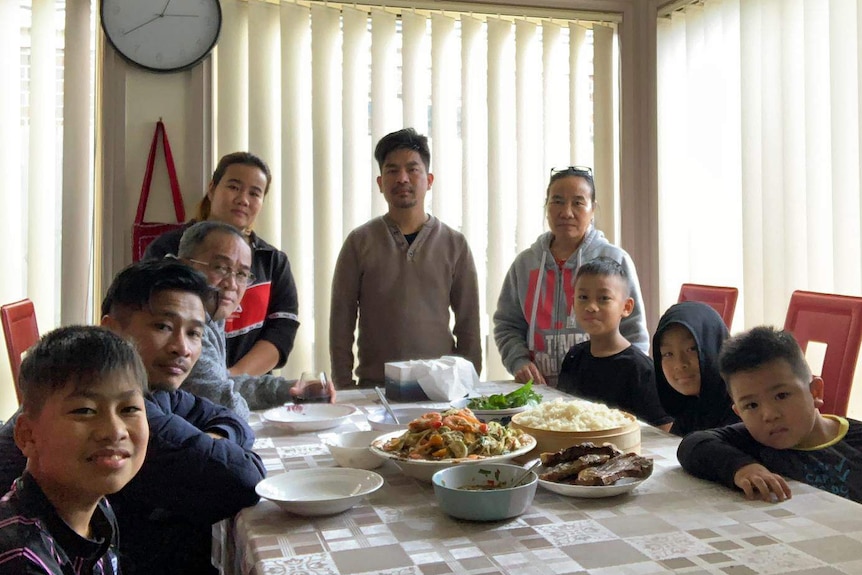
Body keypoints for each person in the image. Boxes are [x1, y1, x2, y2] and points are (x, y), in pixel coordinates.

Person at [0, 260, 266, 574]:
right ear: (113, 331)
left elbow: (223, 416)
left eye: (195, 333)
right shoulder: (23, 557)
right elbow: (243, 479)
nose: (182, 347)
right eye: (163, 326)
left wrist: (213, 441)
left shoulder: (99, 508)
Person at [329, 128, 482, 388]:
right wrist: (344, 386)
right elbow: (341, 321)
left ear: (429, 179)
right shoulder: (359, 242)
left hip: (442, 389)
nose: (402, 178)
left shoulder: (454, 244)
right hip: (375, 388)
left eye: (413, 169)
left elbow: (469, 323)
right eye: (392, 170)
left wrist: (468, 384)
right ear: (380, 183)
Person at [0, 326, 148, 574]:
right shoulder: (21, 556)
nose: (114, 430)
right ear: (28, 435)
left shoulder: (98, 509)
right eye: (84, 410)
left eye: (129, 409)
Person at [144, 151, 299, 376]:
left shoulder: (273, 261)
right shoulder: (169, 250)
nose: (243, 199)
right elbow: (153, 320)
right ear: (212, 189)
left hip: (249, 391)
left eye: (254, 193)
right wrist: (210, 380)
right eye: (234, 187)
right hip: (181, 387)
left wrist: (233, 377)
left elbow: (282, 331)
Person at [494, 166, 649, 387]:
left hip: (600, 393)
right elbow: (507, 324)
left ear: (593, 209)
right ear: (546, 206)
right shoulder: (525, 264)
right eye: (557, 201)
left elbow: (634, 333)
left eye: (578, 202)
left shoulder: (615, 260)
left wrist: (624, 379)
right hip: (538, 392)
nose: (566, 212)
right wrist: (518, 361)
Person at [677, 326, 862, 504]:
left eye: (781, 395)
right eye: (751, 405)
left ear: (815, 392)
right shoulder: (752, 442)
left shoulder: (855, 442)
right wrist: (742, 468)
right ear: (739, 413)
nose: (769, 415)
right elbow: (692, 444)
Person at [175, 221, 333, 416]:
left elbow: (225, 384)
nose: (232, 284)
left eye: (241, 274)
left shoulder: (212, 315)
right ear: (183, 266)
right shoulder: (181, 321)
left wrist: (291, 390)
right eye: (220, 267)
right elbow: (221, 401)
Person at [556, 258, 671, 430]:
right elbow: (563, 413)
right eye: (583, 297)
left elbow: (664, 431)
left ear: (626, 307)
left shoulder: (641, 370)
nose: (591, 306)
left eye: (603, 298)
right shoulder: (574, 357)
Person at [653, 302, 739, 436]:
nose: (680, 364)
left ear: (714, 345)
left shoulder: (742, 409)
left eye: (692, 349)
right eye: (668, 354)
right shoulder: (688, 407)